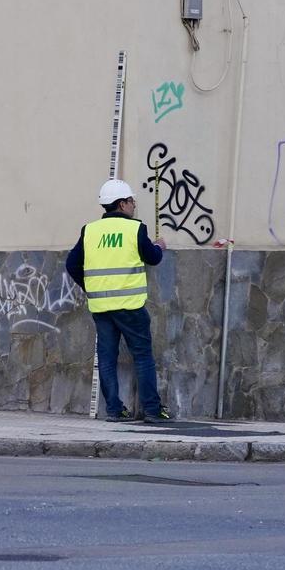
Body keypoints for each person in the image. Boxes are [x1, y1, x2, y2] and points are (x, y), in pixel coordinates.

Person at [66, 178, 172, 424]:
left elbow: (72, 264)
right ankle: (152, 410)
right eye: (132, 201)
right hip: (130, 306)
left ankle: (114, 410)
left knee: (107, 358)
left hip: (102, 308)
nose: (134, 205)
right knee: (143, 356)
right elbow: (153, 258)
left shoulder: (89, 231)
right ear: (122, 204)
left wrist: (90, 287)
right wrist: (159, 246)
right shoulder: (135, 229)